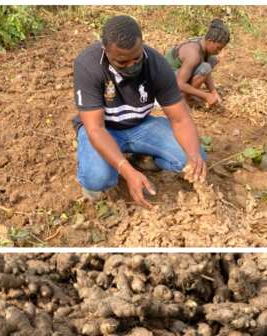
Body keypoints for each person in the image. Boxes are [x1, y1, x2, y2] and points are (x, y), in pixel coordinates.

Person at [73, 15, 208, 209]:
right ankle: (95, 170)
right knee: (98, 178)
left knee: (195, 158)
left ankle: (142, 157)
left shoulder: (157, 65)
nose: (132, 66)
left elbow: (180, 119)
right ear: (106, 50)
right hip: (104, 129)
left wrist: (194, 154)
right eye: (122, 62)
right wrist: (126, 171)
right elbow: (96, 129)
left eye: (136, 58)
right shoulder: (88, 65)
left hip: (140, 125)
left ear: (142, 44)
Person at [166, 19, 230, 108]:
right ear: (210, 41)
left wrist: (213, 91)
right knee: (205, 67)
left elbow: (207, 73)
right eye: (218, 48)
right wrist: (205, 95)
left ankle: (188, 96)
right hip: (164, 83)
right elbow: (179, 84)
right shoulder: (193, 54)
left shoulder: (203, 43)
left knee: (212, 60)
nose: (219, 52)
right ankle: (183, 100)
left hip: (176, 74)